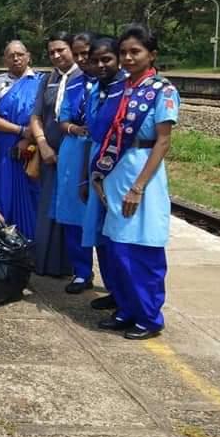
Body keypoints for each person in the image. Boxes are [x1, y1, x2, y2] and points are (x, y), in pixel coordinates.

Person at [92, 25, 178, 340]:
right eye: (124, 52)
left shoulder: (163, 91)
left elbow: (163, 142)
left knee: (143, 248)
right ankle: (127, 309)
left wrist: (139, 186)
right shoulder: (123, 88)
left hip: (143, 174)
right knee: (118, 248)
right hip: (117, 173)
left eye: (135, 52)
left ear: (151, 54)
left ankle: (149, 317)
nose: (128, 58)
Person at [79, 37, 125, 312]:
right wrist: (86, 177)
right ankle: (114, 290)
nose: (100, 65)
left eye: (106, 59)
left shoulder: (126, 90)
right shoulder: (96, 88)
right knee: (99, 234)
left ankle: (126, 298)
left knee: (118, 235)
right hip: (96, 166)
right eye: (95, 60)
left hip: (117, 168)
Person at [55, 33, 102, 293]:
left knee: (101, 215)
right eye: (79, 54)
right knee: (73, 213)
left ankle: (115, 281)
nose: (84, 59)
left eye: (88, 54)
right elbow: (62, 120)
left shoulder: (114, 84)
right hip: (74, 150)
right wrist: (74, 128)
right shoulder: (72, 85)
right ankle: (82, 272)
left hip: (101, 151)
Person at [29, 32, 78, 277]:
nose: (57, 55)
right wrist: (42, 144)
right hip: (49, 153)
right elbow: (36, 116)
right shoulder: (48, 79)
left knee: (73, 207)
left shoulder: (84, 77)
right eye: (52, 52)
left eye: (61, 50)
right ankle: (46, 263)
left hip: (77, 153)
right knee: (49, 205)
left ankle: (75, 268)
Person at [0, 40, 42, 239]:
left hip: (31, 150)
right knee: (3, 193)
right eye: (11, 55)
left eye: (20, 54)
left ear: (28, 56)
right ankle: (4, 245)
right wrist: (21, 131)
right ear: (4, 59)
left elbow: (45, 117)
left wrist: (31, 137)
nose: (16, 58)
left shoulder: (41, 82)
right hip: (4, 151)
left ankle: (33, 245)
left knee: (33, 195)